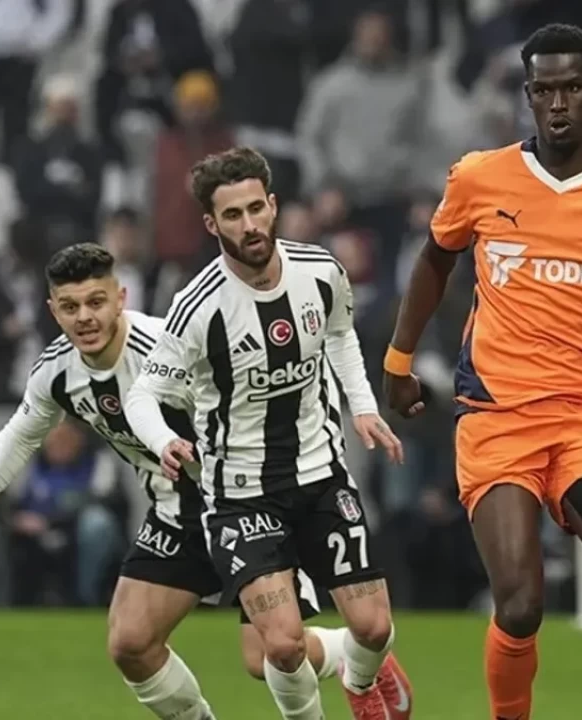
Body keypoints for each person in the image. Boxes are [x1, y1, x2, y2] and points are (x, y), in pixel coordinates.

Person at [382, 24, 582, 720]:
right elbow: (434, 261)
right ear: (527, 95)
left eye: (572, 88)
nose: (557, 104)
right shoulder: (478, 177)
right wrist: (399, 361)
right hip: (497, 422)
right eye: (544, 90)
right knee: (521, 605)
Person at [0, 244, 371, 720]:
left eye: (96, 302)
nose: (85, 318)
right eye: (71, 307)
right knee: (130, 643)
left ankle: (351, 654)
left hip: (247, 504)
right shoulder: (55, 372)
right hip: (177, 514)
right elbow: (20, 434)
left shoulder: (169, 348)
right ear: (53, 311)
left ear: (120, 298)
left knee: (272, 654)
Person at [124, 147, 413, 720]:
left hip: (321, 474)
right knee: (279, 646)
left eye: (256, 209)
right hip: (242, 495)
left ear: (274, 205)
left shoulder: (320, 270)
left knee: (374, 628)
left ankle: (358, 681)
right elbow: (142, 395)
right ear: (212, 225)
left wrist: (362, 406)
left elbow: (340, 334)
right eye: (233, 215)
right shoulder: (197, 306)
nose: (250, 224)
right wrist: (163, 441)